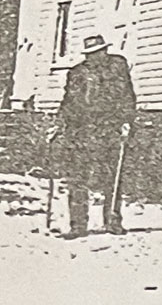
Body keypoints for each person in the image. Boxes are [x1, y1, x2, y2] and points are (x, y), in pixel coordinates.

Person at [51, 34, 136, 237]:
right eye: (90, 54)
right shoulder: (77, 73)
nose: (95, 57)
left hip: (109, 128)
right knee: (77, 178)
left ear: (105, 51)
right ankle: (78, 225)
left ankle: (113, 221)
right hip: (81, 131)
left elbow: (127, 96)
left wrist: (127, 121)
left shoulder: (117, 66)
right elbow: (69, 102)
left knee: (112, 177)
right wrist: (59, 125)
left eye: (98, 52)